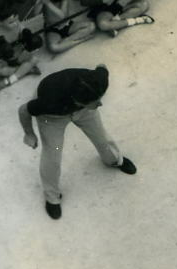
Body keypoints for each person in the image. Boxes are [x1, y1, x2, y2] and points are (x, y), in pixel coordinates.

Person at [17, 63, 135, 220]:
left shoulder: (98, 81)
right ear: (77, 102)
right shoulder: (49, 102)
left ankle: (114, 160)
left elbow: (102, 66)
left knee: (102, 138)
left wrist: (90, 103)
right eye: (96, 102)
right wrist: (29, 134)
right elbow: (23, 110)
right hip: (52, 117)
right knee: (53, 154)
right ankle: (52, 198)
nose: (100, 104)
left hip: (84, 111)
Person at [0, 0, 43, 92]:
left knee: (34, 58)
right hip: (6, 58)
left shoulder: (18, 25)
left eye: (17, 19)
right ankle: (27, 70)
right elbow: (1, 51)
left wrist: (28, 36)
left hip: (20, 53)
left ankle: (9, 80)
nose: (16, 23)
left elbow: (25, 32)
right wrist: (4, 47)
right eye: (11, 22)